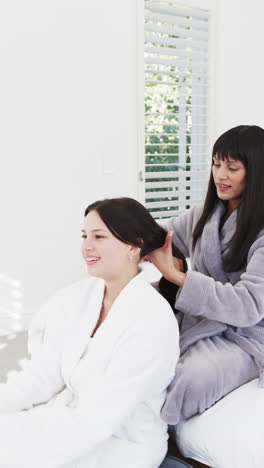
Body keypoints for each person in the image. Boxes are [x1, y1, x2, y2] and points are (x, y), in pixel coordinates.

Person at [0, 197, 182, 468]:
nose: (87, 246)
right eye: (84, 235)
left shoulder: (151, 319)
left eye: (99, 236)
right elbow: (42, 374)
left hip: (122, 445)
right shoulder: (83, 297)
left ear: (134, 245)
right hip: (74, 425)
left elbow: (98, 419)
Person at [147, 125, 264, 425]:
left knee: (192, 377)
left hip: (248, 335)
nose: (220, 175)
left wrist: (177, 277)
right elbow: (158, 235)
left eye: (232, 167)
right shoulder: (204, 216)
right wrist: (117, 230)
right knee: (137, 348)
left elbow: (249, 305)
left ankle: (156, 436)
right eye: (216, 163)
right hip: (200, 319)